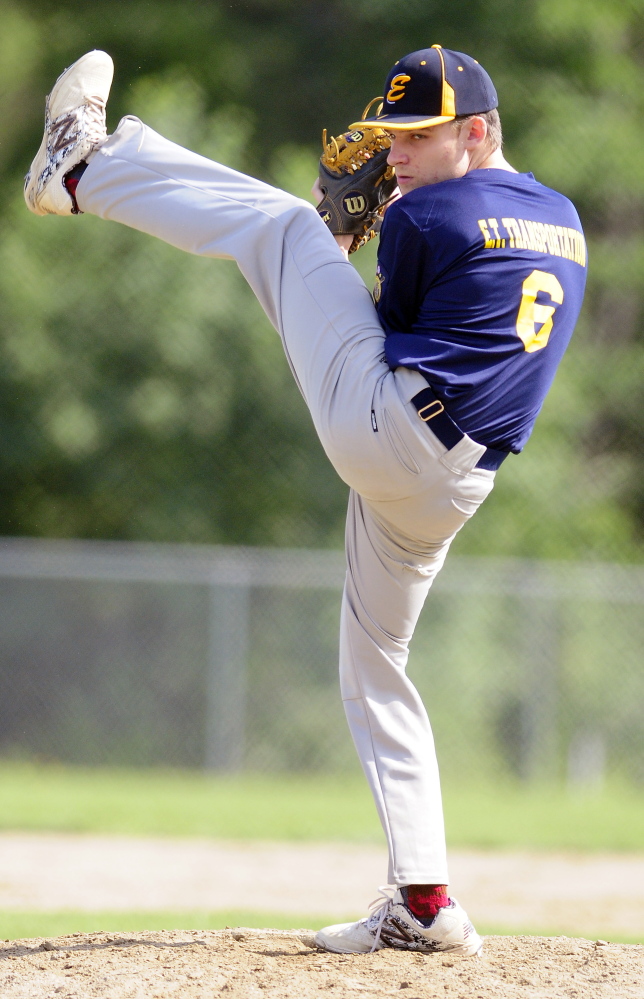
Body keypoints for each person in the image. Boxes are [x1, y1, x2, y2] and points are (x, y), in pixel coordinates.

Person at [25, 45, 587, 956]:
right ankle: (425, 900)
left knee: (285, 227)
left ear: (478, 133)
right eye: (393, 130)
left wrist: (339, 238)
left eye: (419, 134)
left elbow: (371, 322)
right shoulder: (564, 218)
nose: (394, 150)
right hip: (460, 482)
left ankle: (81, 165)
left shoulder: (427, 216)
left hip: (391, 429)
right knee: (377, 659)